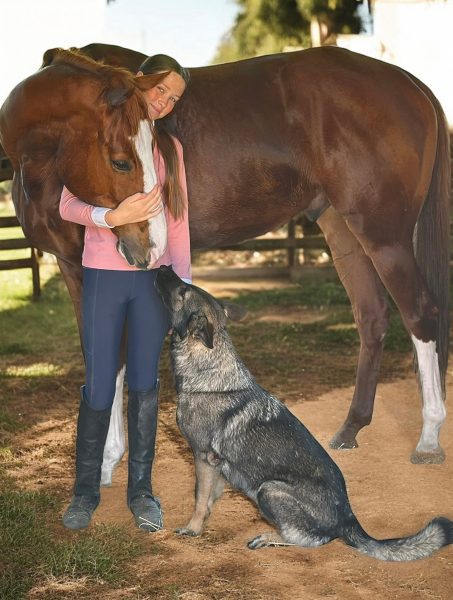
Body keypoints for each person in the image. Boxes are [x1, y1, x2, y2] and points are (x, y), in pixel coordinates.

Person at [60, 54, 191, 532]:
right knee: (98, 384)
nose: (164, 101)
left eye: (174, 98)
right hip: (105, 276)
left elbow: (178, 225)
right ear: (142, 83)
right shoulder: (104, 132)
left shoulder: (170, 150)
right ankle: (84, 492)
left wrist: (184, 291)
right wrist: (107, 219)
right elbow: (67, 201)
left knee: (145, 386)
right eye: (160, 89)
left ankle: (142, 493)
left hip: (153, 282)